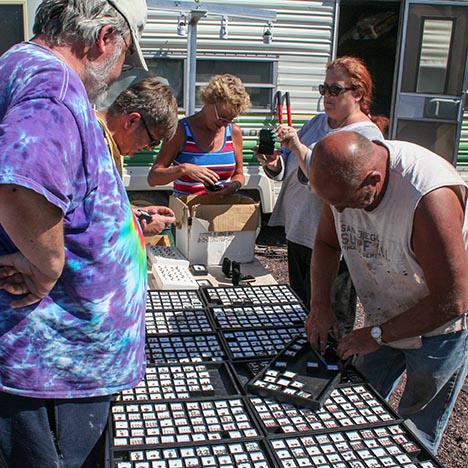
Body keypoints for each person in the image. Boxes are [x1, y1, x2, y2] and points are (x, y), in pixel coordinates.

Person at [0, 1, 149, 467]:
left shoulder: (20, 67)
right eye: (126, 54)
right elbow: (20, 182)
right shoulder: (54, 84)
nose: (119, 72)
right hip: (52, 367)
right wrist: (46, 266)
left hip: (50, 364)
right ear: (105, 38)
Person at [306, 130, 468, 454]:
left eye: (346, 203)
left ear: (373, 180)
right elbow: (326, 243)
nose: (338, 212)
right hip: (386, 311)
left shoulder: (427, 199)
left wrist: (378, 335)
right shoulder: (340, 184)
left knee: (415, 428)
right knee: (360, 401)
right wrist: (320, 303)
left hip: (440, 326)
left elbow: (454, 299)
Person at [255, 56, 387, 335]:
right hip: (300, 231)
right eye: (323, 89)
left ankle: (333, 371)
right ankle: (304, 366)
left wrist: (298, 146)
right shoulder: (318, 122)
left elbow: (327, 176)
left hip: (333, 241)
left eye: (335, 90)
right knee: (302, 311)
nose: (327, 96)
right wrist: (272, 162)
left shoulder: (365, 136)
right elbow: (289, 167)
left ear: (358, 93)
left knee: (332, 318)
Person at [96, 77, 179, 236]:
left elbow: (105, 207)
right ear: (132, 121)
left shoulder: (109, 142)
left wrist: (134, 212)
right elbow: (86, 220)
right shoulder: (95, 144)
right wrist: (137, 227)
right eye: (152, 141)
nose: (149, 148)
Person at [147, 73, 251, 196]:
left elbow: (239, 174)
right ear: (209, 101)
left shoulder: (233, 131)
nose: (224, 124)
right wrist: (184, 169)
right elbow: (153, 178)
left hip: (219, 210)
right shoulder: (181, 131)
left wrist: (234, 185)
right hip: (187, 210)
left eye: (230, 119)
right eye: (221, 117)